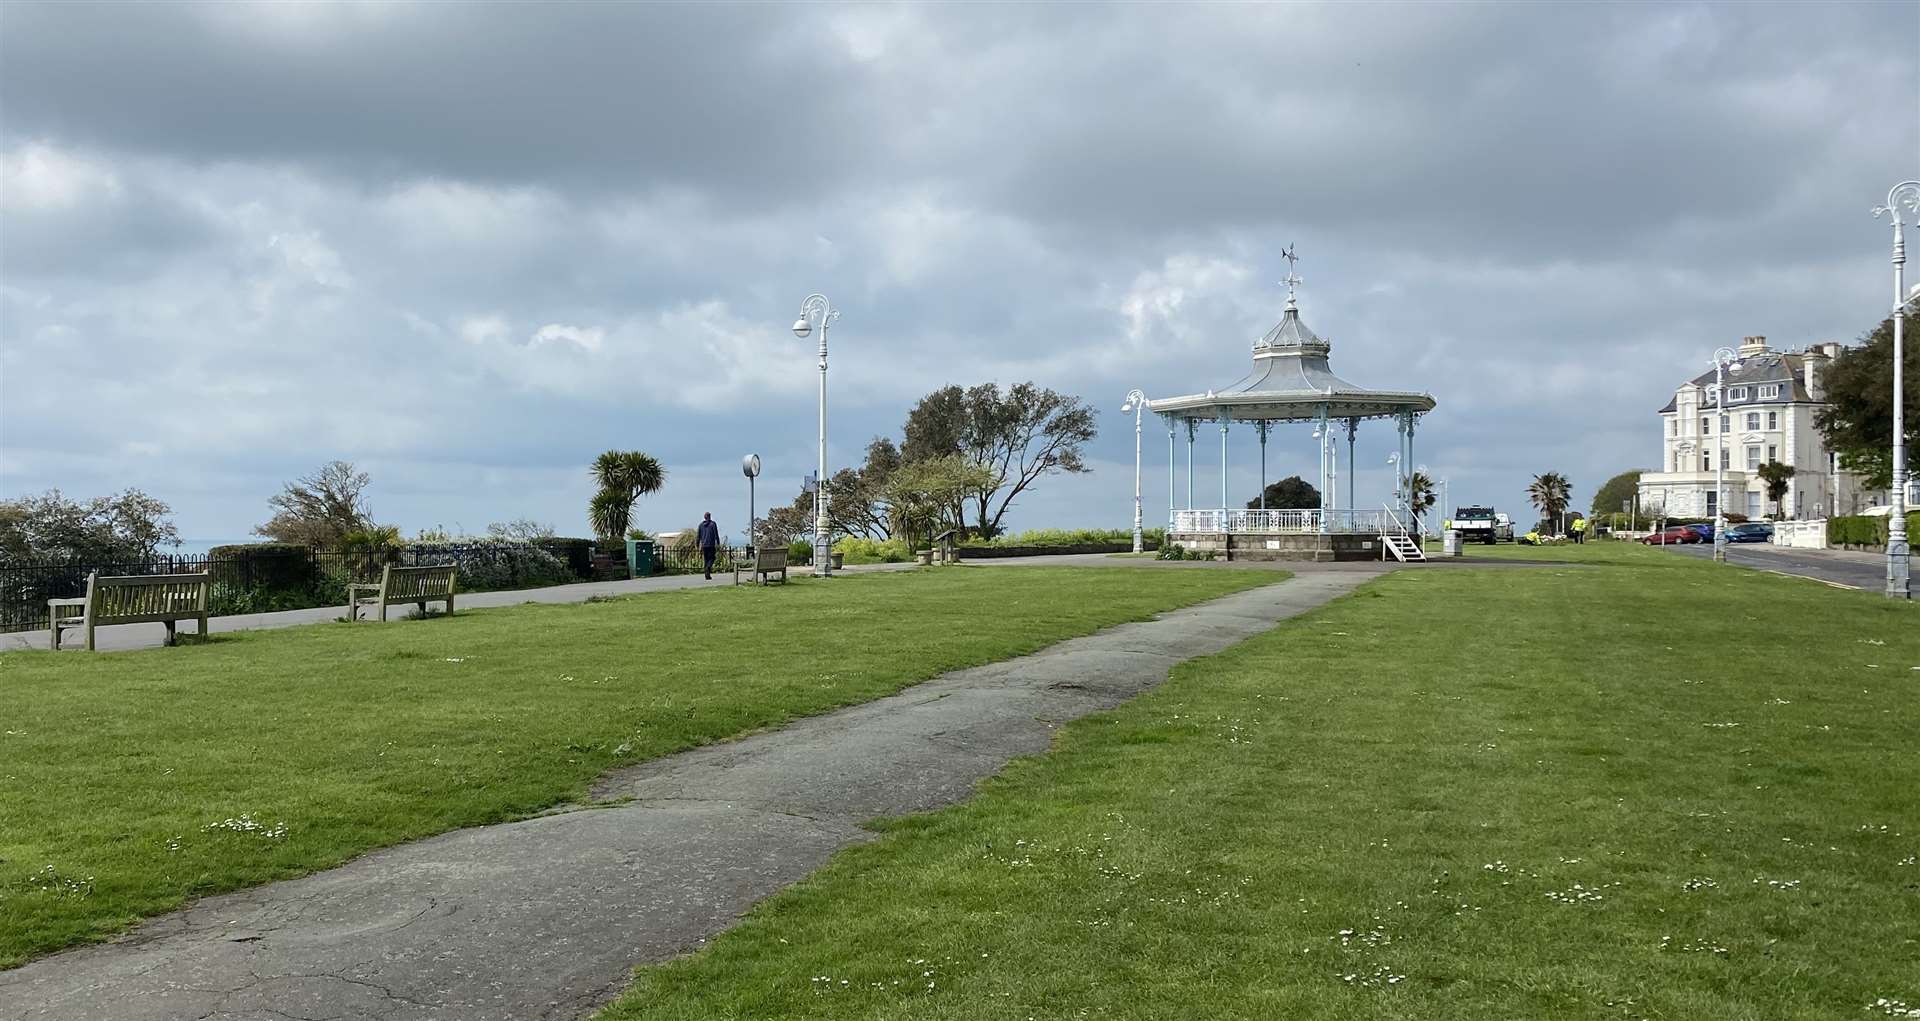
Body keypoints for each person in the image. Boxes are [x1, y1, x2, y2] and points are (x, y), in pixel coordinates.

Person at [696, 512, 721, 579]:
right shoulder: (713, 524)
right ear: (710, 517)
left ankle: (707, 575)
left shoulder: (700, 525)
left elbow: (698, 536)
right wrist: (718, 543)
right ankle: (708, 568)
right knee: (712, 558)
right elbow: (716, 534)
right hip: (711, 545)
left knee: (706, 560)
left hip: (704, 545)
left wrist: (697, 545)